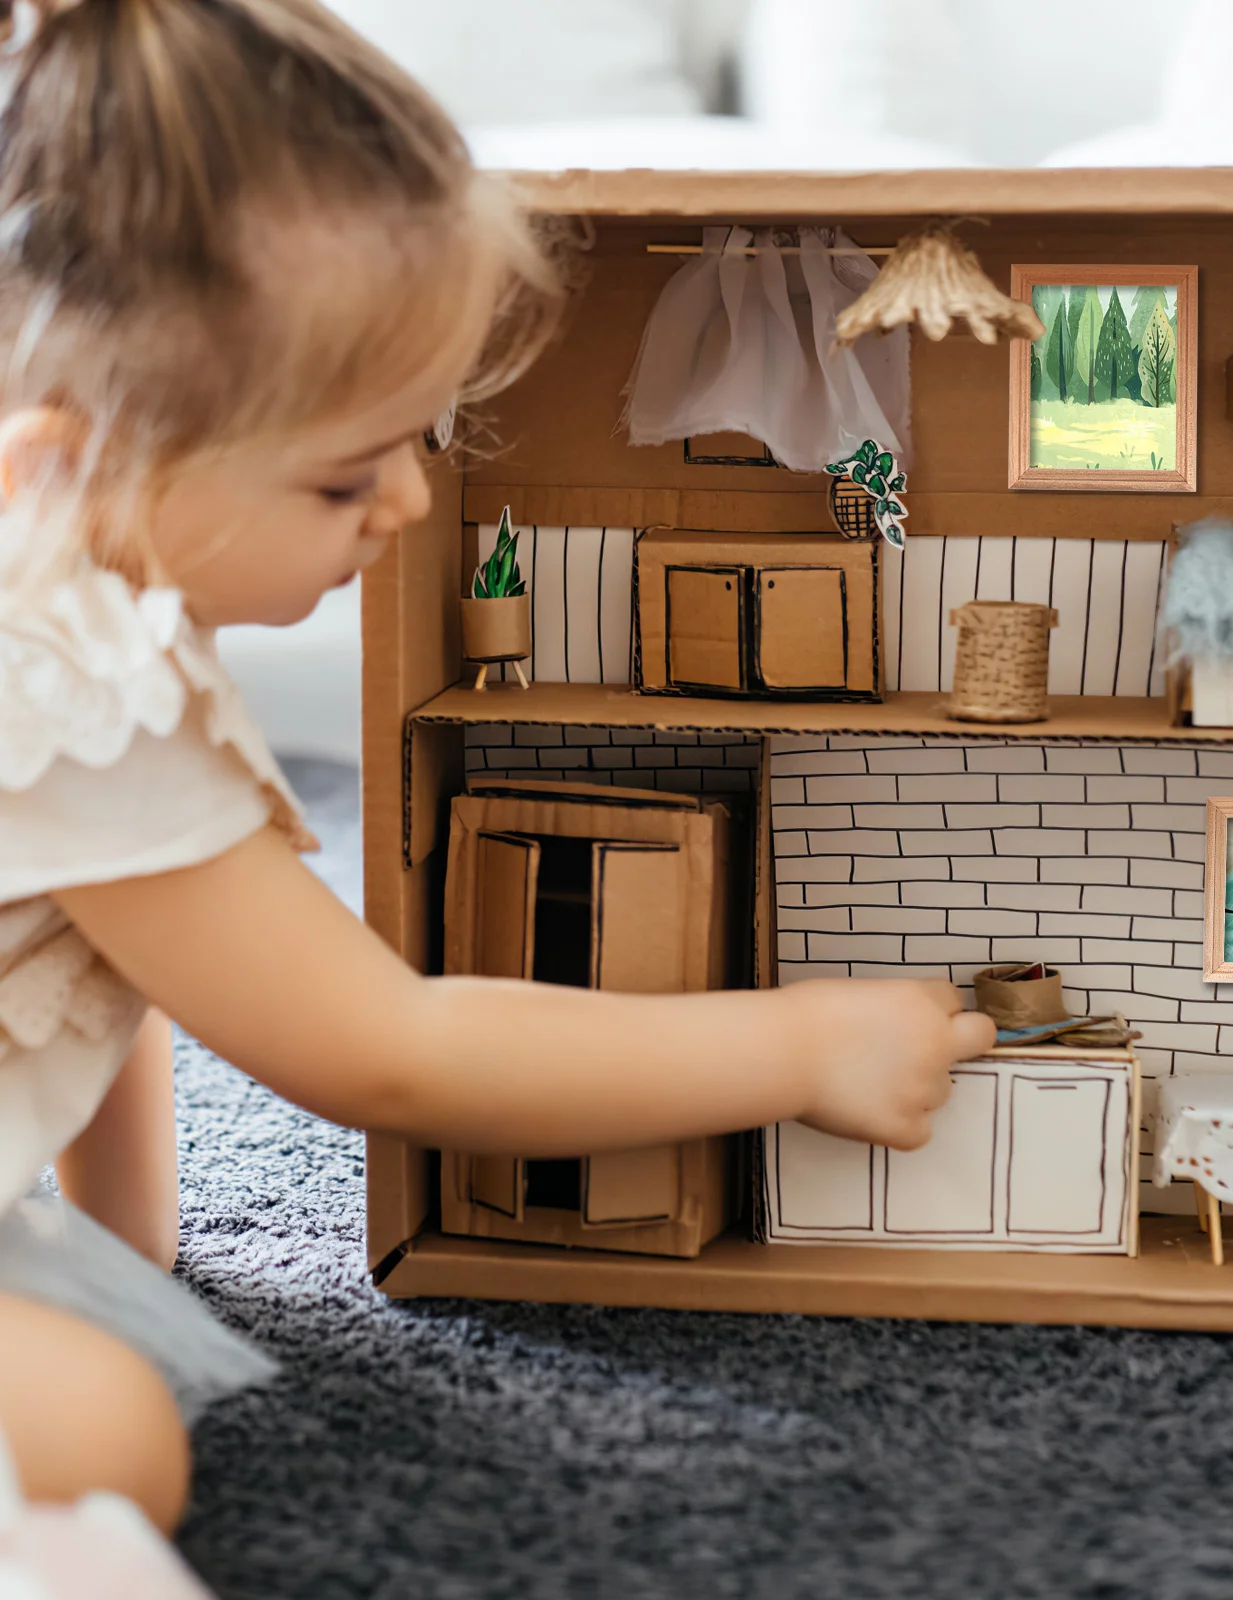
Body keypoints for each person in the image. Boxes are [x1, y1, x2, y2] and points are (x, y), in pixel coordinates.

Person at [0, 0, 994, 1556]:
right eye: (345, 471)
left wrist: (130, 1260)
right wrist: (804, 1045)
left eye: (426, 438)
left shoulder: (58, 586)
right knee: (112, 1453)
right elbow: (388, 1050)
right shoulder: (69, 686)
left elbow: (114, 968)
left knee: (105, 1373)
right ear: (67, 460)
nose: (408, 500)